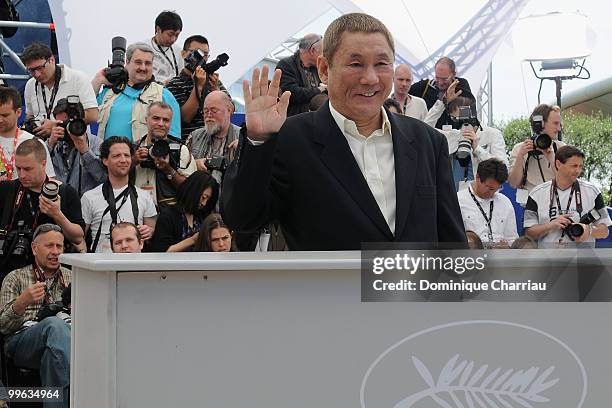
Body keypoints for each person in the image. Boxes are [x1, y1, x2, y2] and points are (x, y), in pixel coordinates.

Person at [221, 13, 466, 250]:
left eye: (381, 64)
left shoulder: (428, 142)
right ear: (324, 69)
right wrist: (258, 141)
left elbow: (452, 242)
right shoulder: (291, 140)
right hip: (331, 292)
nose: (370, 78)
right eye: (355, 64)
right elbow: (243, 218)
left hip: (414, 292)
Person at [0, 224, 71, 408]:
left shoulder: (72, 277)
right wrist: (21, 302)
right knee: (54, 325)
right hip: (21, 342)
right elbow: (3, 327)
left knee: (52, 356)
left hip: (65, 342)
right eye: (49, 246)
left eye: (59, 246)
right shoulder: (15, 277)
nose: (55, 252)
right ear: (34, 248)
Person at [0, 139, 85, 273]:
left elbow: (78, 237)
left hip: (54, 273)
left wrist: (57, 215)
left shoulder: (65, 192)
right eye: (18, 168)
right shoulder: (7, 190)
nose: (22, 175)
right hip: (11, 272)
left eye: (27, 169)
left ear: (43, 164)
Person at [524, 145, 611, 247]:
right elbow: (529, 233)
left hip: (582, 260)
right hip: (548, 260)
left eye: (580, 166)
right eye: (574, 166)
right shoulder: (537, 193)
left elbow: (605, 231)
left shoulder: (592, 192)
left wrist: (589, 230)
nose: (578, 171)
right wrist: (551, 225)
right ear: (558, 164)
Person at [92, 42, 181, 141]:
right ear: (127, 62)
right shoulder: (109, 92)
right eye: (138, 62)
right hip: (109, 155)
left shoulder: (164, 95)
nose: (143, 68)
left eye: (148, 63)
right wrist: (98, 80)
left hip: (145, 156)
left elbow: (174, 139)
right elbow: (86, 113)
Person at [81, 137, 157, 253]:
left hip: (133, 266)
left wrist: (149, 231)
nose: (123, 160)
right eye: (117, 156)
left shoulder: (144, 196)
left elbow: (152, 231)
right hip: (101, 266)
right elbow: (79, 237)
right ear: (105, 160)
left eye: (127, 156)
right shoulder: (89, 197)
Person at [21, 42, 98, 138]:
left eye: (40, 68)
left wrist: (57, 125)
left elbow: (93, 115)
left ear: (52, 60)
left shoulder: (78, 78)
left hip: (73, 144)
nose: (37, 74)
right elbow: (30, 116)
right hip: (42, 145)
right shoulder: (30, 84)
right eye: (31, 70)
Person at [133, 102, 197, 208]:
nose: (161, 124)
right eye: (156, 118)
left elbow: (191, 189)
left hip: (169, 213)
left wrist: (168, 169)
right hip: (137, 209)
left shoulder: (180, 150)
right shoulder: (133, 148)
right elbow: (115, 178)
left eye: (166, 120)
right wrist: (133, 161)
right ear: (146, 120)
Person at [166, 35, 229, 140]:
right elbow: (184, 118)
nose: (201, 58)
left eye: (205, 55)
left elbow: (230, 109)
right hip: (190, 144)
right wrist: (198, 86)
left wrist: (215, 90)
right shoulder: (174, 84)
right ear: (183, 54)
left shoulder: (213, 80)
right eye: (196, 52)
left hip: (217, 141)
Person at [439, 96, 508, 191]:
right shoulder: (454, 135)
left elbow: (503, 167)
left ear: (473, 116)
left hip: (485, 194)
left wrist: (477, 149)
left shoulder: (492, 134)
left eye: (460, 118)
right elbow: (424, 127)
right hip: (457, 195)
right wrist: (441, 103)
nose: (458, 122)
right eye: (453, 118)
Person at [47, 97, 106, 196]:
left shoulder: (97, 143)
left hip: (86, 205)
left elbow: (102, 177)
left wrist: (85, 151)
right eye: (62, 124)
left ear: (82, 121)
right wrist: (50, 144)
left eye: (70, 124)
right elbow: (38, 171)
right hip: (58, 202)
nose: (67, 129)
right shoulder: (51, 144)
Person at [150, 171, 218, 252]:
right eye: (203, 197)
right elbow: (162, 252)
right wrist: (193, 240)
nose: (204, 203)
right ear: (194, 191)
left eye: (208, 200)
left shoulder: (202, 217)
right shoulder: (168, 216)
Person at [457, 159, 518, 248]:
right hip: (471, 257)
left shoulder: (505, 203)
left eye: (495, 189)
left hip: (498, 258)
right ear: (477, 177)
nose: (491, 192)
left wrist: (507, 247)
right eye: (488, 187)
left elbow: (513, 239)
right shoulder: (459, 200)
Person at [508, 104, 565, 197]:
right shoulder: (520, 149)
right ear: (540, 123)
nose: (559, 129)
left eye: (560, 124)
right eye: (555, 123)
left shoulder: (560, 148)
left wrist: (551, 157)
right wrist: (521, 156)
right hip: (531, 206)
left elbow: (565, 182)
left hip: (557, 204)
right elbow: (513, 184)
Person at [0, 86, 55, 181]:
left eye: (5, 115)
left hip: (25, 194)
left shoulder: (34, 142)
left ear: (18, 112)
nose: (0, 120)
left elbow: (49, 180)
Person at [187, 90, 239, 183]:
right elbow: (182, 170)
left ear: (229, 110)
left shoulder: (242, 137)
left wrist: (243, 150)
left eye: (214, 110)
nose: (209, 115)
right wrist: (194, 166)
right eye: (205, 111)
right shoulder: (194, 137)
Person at [409, 56, 475, 129]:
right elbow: (404, 94)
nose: (440, 83)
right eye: (437, 77)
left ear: (453, 75)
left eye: (445, 79)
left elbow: (469, 118)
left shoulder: (461, 89)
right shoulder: (424, 87)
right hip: (431, 135)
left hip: (454, 137)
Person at [276, 33, 327, 116]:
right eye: (323, 52)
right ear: (312, 50)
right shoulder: (286, 65)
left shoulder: (317, 67)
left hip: (315, 116)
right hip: (295, 119)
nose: (325, 56)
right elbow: (291, 93)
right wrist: (319, 89)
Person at [144, 10, 184, 84]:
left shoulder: (178, 51)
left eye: (177, 35)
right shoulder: (142, 48)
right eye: (170, 34)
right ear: (158, 29)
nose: (173, 39)